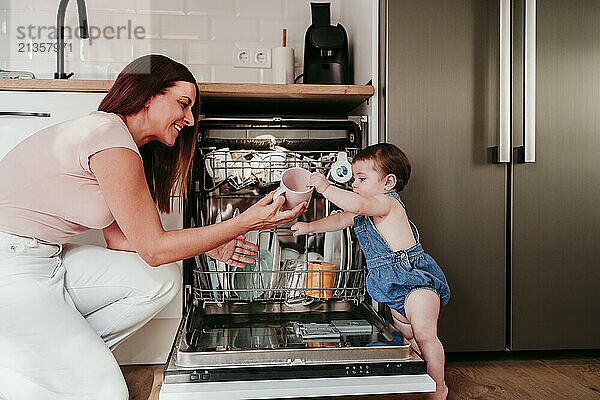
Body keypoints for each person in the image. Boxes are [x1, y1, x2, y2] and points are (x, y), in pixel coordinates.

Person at [0, 54, 305, 400]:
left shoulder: (121, 143)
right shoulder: (109, 139)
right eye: (183, 104)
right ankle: (36, 365)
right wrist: (248, 220)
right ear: (148, 96)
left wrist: (211, 244)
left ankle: (48, 358)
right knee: (108, 392)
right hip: (9, 266)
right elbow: (154, 248)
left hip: (44, 257)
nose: (189, 119)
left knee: (159, 281)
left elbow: (123, 242)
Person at [291, 143, 450, 400]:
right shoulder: (364, 211)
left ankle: (437, 386)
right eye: (354, 178)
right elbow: (341, 219)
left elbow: (356, 202)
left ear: (388, 182)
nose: (355, 183)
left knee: (424, 335)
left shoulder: (386, 204)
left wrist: (326, 187)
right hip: (392, 288)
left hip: (415, 283)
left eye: (361, 178)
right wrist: (310, 228)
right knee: (407, 338)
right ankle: (416, 380)